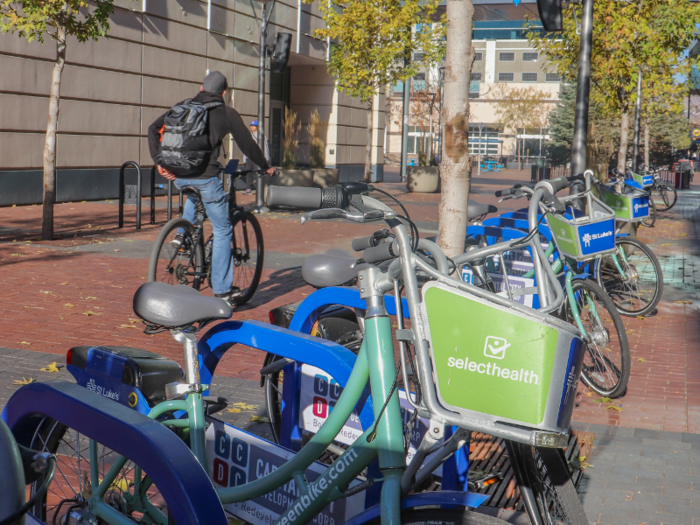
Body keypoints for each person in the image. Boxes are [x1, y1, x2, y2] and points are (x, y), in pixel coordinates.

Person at [148, 71, 274, 303]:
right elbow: (247, 144)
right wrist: (265, 166)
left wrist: (159, 163)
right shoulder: (226, 113)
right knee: (223, 228)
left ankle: (182, 236)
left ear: (201, 87)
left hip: (179, 176)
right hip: (206, 178)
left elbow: (153, 129)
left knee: (193, 198)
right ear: (224, 92)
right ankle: (223, 290)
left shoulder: (182, 107)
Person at [242, 120, 271, 194]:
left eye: (254, 125)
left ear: (257, 127)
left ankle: (260, 188)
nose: (252, 127)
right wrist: (244, 159)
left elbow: (265, 147)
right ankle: (249, 188)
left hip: (257, 157)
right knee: (248, 173)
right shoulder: (248, 135)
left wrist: (267, 158)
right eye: (251, 125)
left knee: (259, 173)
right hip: (249, 157)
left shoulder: (261, 136)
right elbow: (245, 148)